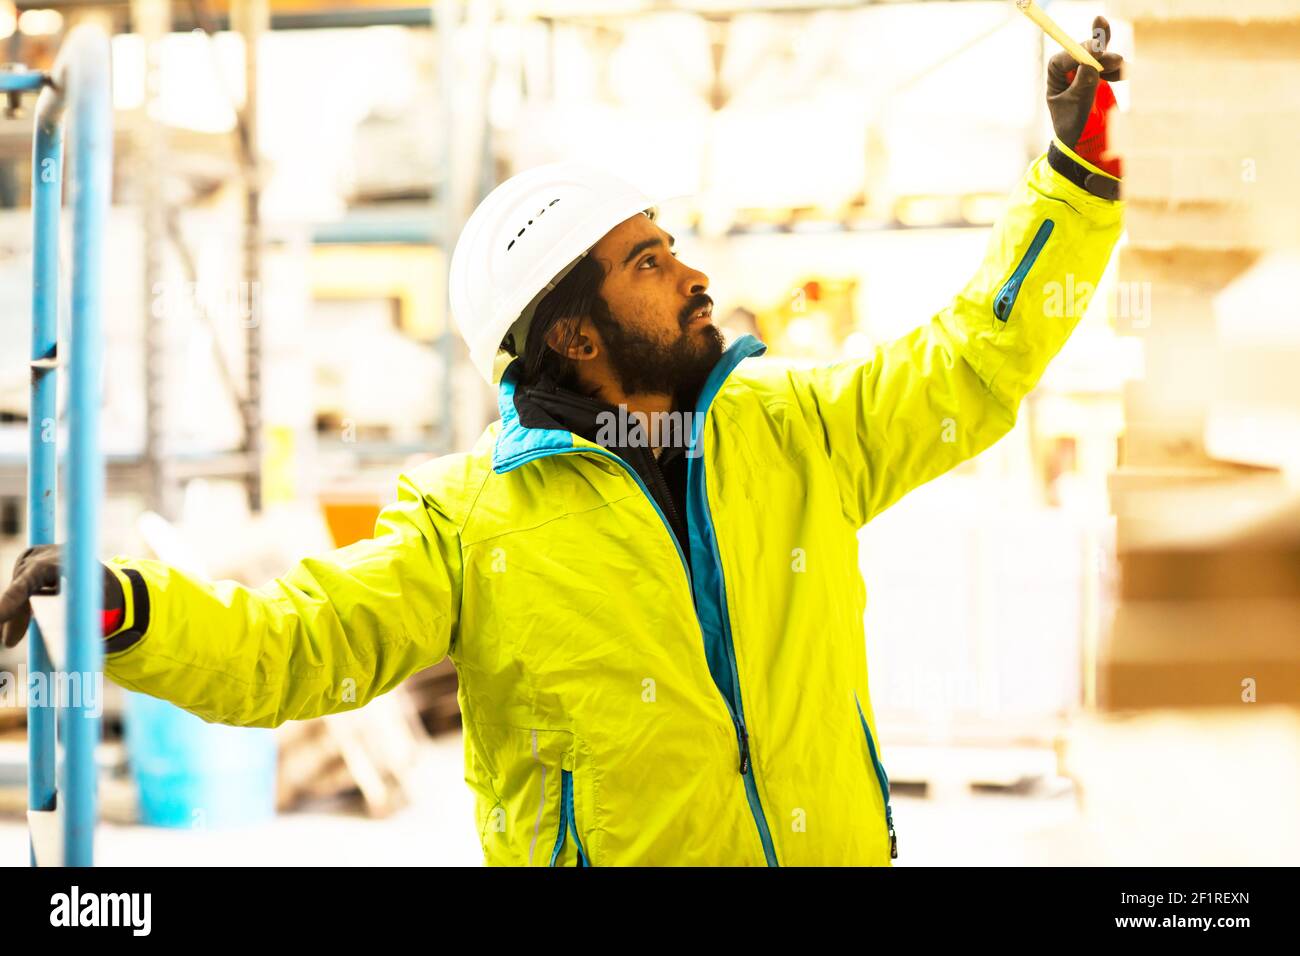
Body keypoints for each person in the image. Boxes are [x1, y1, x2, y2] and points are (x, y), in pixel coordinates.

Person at [1, 18, 1126, 866]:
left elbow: (974, 360)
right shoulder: (468, 518)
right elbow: (294, 646)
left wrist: (1074, 185)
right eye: (648, 261)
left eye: (674, 245)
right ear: (575, 335)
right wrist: (126, 612)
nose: (693, 274)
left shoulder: (796, 432)